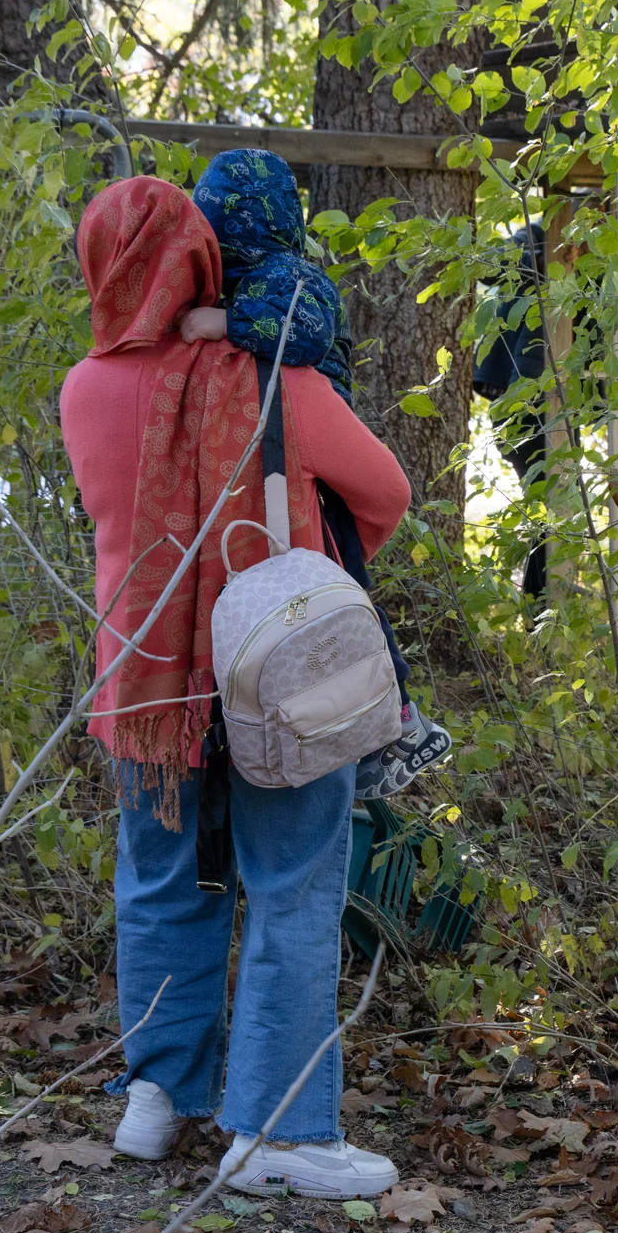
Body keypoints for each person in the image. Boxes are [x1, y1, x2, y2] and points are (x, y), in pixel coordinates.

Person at [59, 175, 403, 1198]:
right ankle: (280, 1133)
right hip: (273, 673)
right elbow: (386, 488)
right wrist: (313, 561)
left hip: (144, 688)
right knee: (293, 884)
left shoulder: (84, 386)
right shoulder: (270, 376)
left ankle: (156, 1102)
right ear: (203, 257)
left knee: (162, 882)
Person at [180, 147, 451, 800]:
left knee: (349, 599)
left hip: (318, 473)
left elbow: (303, 336)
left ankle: (400, 720)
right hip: (284, 465)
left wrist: (226, 322)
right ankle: (364, 727)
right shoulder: (252, 275)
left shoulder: (295, 276)